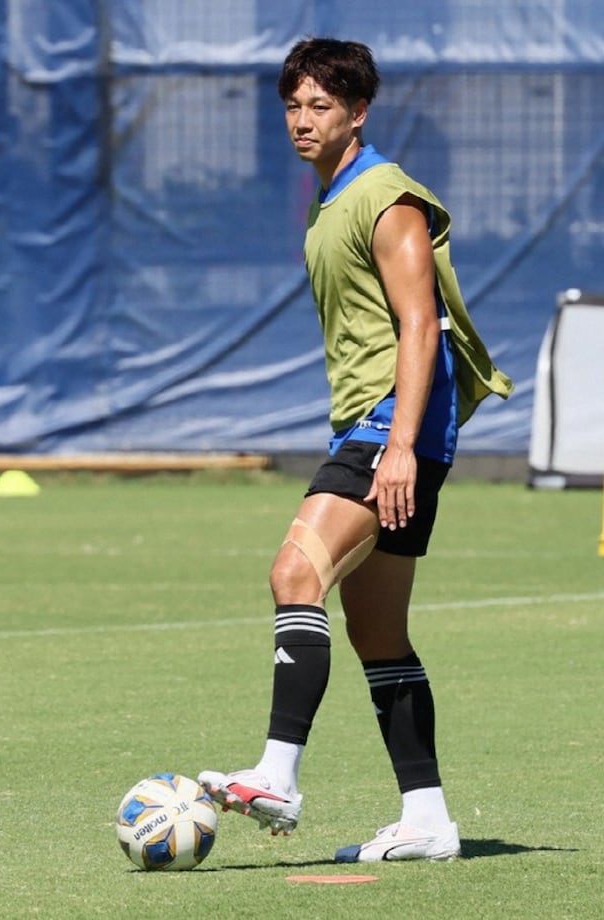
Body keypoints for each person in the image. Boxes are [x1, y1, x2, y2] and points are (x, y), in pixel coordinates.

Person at [198, 37, 513, 863]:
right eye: (293, 105)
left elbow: (422, 325)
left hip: (389, 431)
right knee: (378, 634)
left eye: (322, 105)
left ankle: (277, 775)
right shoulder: (330, 198)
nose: (302, 120)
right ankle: (429, 818)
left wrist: (401, 445)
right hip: (378, 432)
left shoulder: (385, 196)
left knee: (294, 573)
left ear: (358, 112)